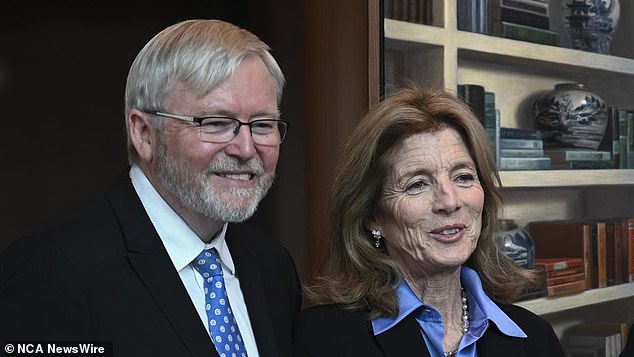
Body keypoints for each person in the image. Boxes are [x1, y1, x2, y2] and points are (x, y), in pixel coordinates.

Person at [0, 19, 302, 357]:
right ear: (144, 133)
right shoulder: (55, 270)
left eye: (262, 125)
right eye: (216, 124)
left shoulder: (272, 268)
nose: (246, 149)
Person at [292, 87, 564, 357]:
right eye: (417, 184)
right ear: (371, 216)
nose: (449, 201)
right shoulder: (324, 339)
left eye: (463, 177)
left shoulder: (535, 337)